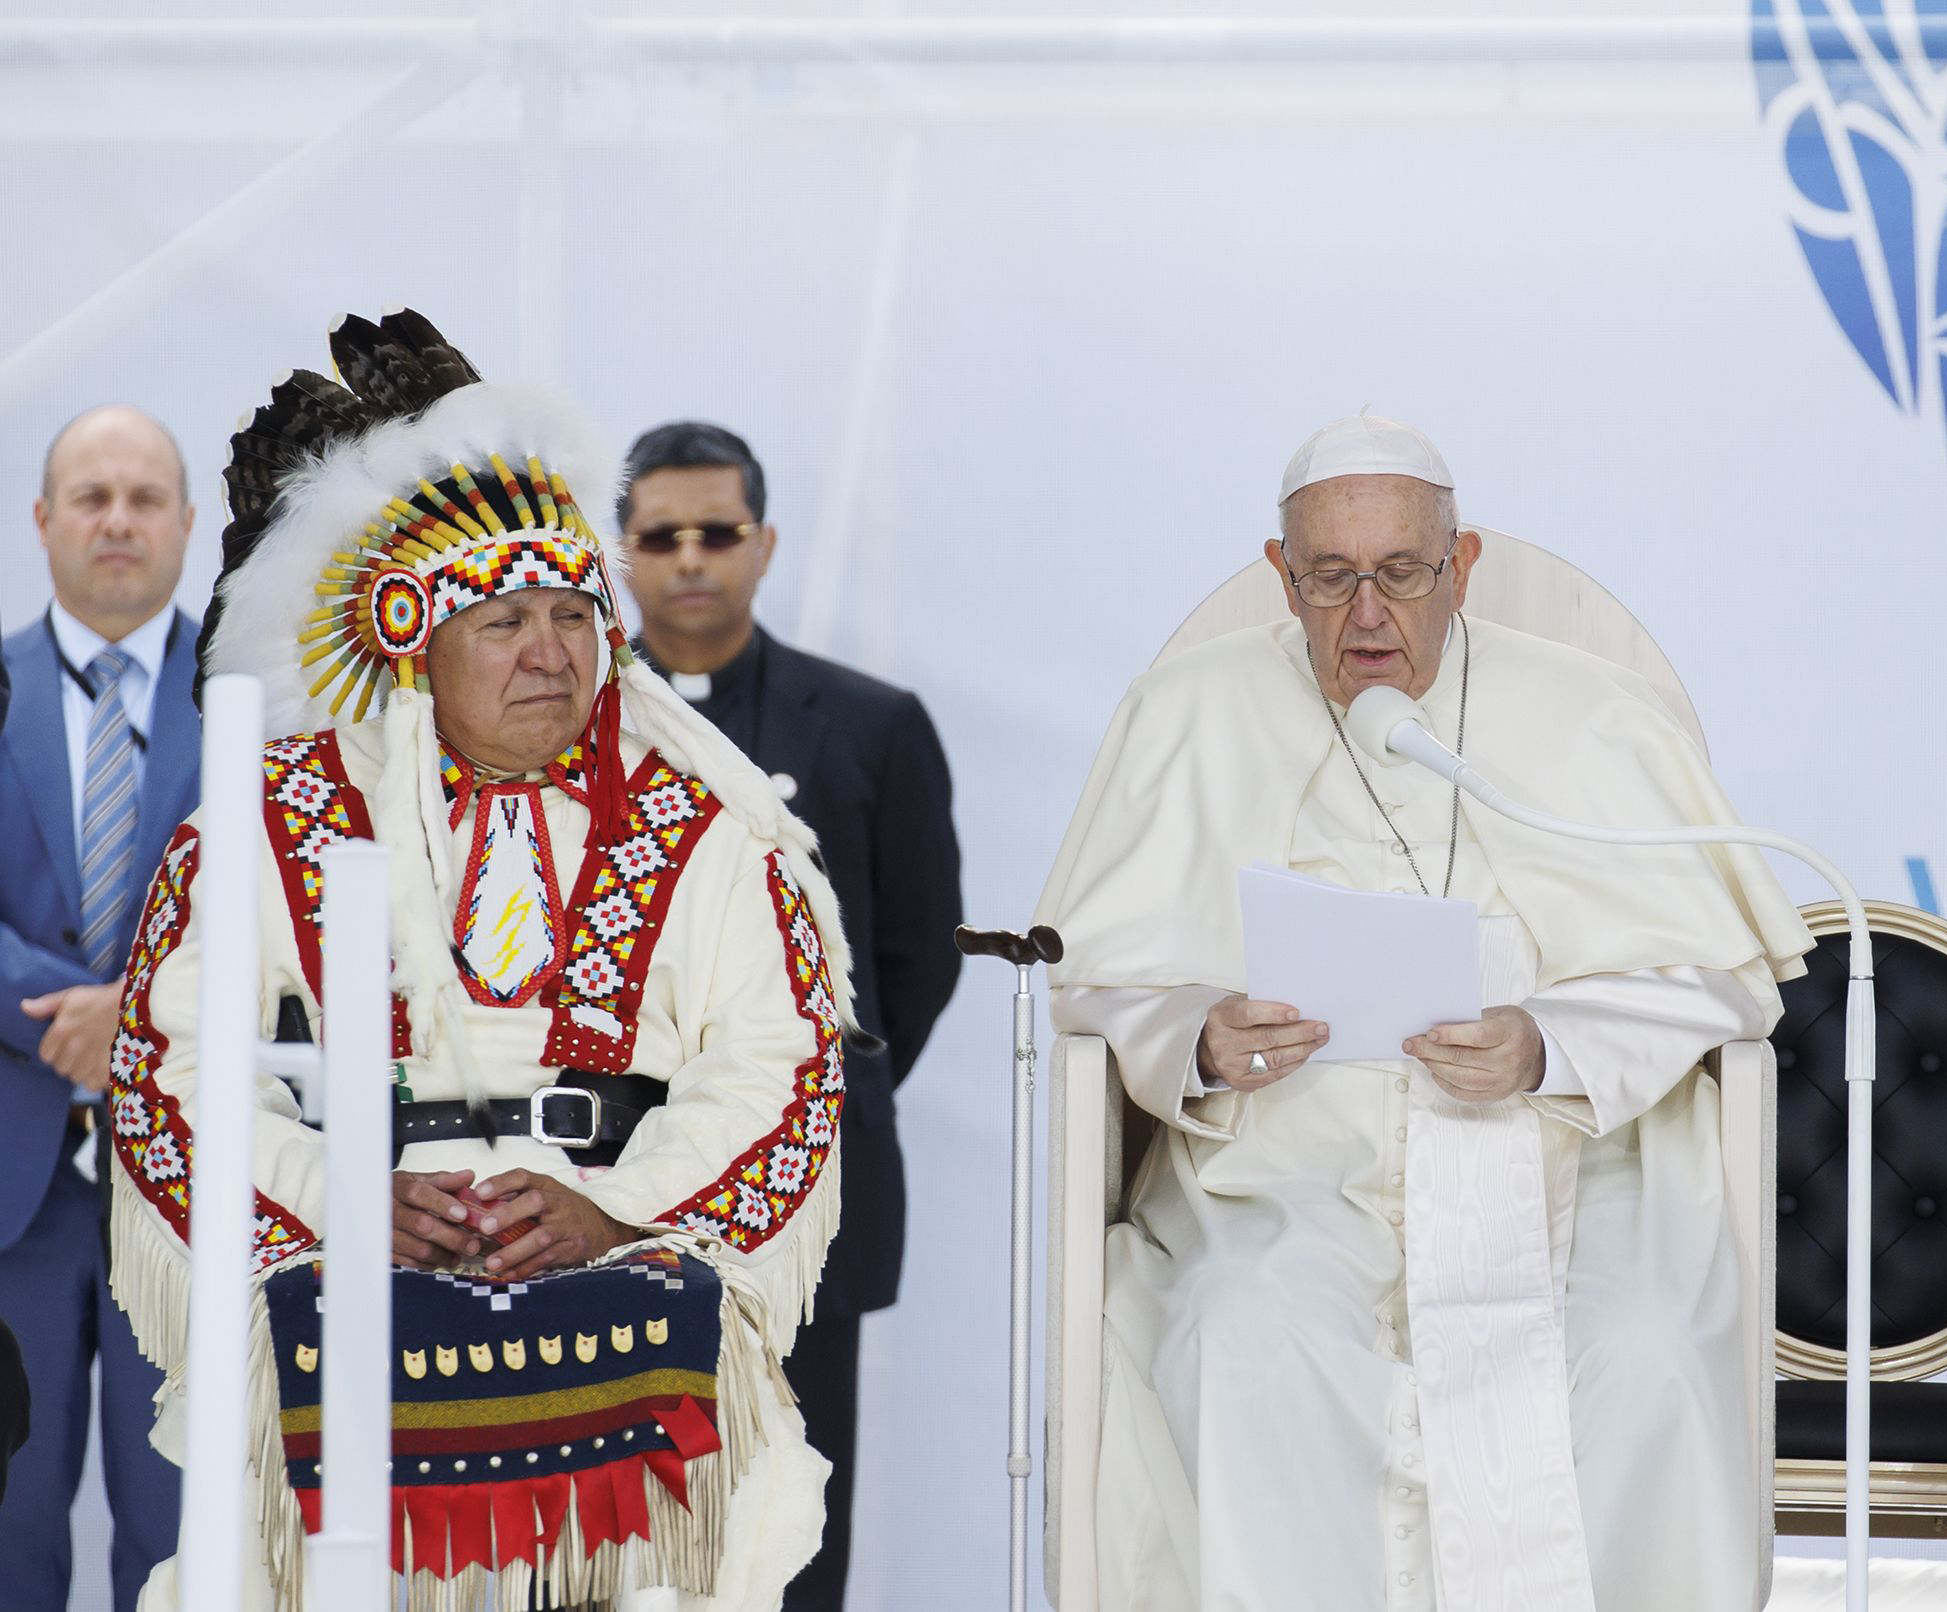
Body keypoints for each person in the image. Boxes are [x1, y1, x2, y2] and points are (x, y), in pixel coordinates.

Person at [109, 312, 842, 1608]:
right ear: (413, 637)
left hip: (629, 1256)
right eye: (504, 619)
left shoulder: (707, 829)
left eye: (572, 613)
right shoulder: (274, 820)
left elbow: (784, 1067)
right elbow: (168, 1071)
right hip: (346, 1259)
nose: (552, 652)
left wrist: (617, 1210)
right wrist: (345, 1204)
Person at [1033, 414, 1811, 1611]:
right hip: (1284, 1179)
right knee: (1240, 1341)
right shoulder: (1185, 712)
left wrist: (1550, 1046)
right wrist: (1198, 1035)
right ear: (1280, 576)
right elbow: (1095, 976)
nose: (1366, 616)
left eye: (1400, 573)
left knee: (1648, 1356)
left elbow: (1712, 976)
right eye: (1329, 579)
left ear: (1464, 566)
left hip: (1572, 1166)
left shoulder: (1592, 712)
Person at [618, 420, 963, 1611]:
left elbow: (915, 960)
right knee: (620, 1523)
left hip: (812, 1191)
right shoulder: (569, 725)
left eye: (719, 531)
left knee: (795, 1522)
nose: (693, 558)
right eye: (664, 535)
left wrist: (803, 1102)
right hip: (614, 1187)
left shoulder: (871, 726)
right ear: (623, 551)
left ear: (765, 543)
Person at [0, 405, 195, 1607]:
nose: (117, 519)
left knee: (178, 1537)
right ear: (43, 521)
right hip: (12, 1198)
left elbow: (296, 915)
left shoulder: (266, 712)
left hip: (189, 1196)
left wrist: (146, 1006)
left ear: (185, 524)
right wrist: (67, 1007)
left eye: (142, 497)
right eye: (91, 496)